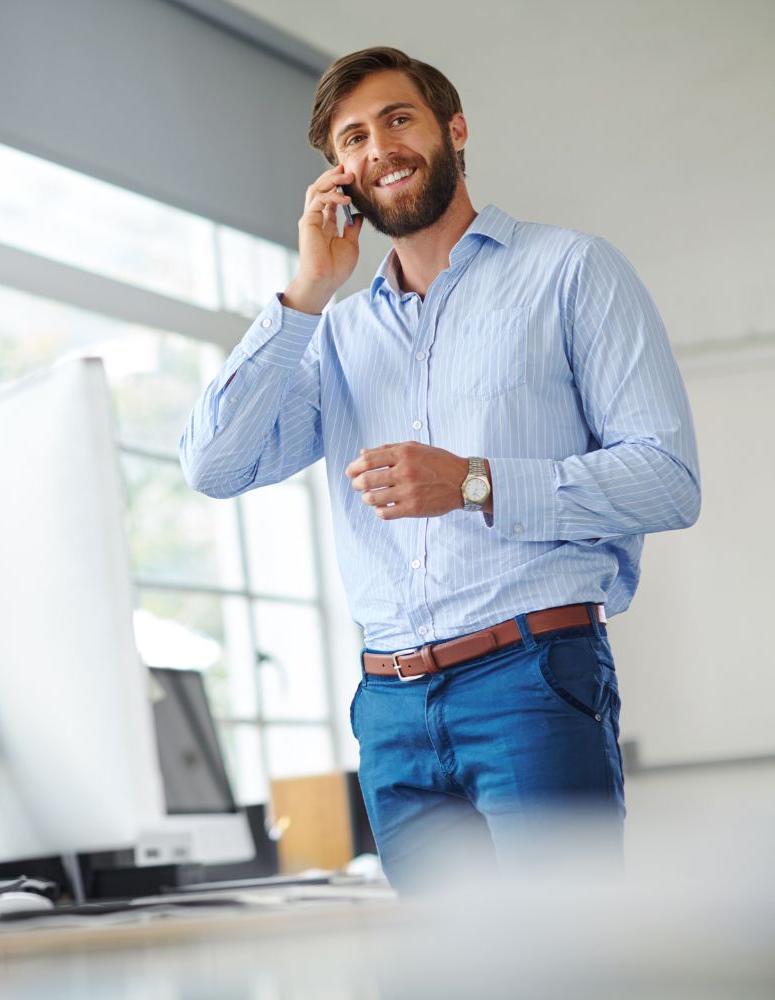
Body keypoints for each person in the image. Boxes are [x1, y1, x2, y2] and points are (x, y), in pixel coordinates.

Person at [179, 47, 700, 893]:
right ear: (338, 176)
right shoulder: (336, 335)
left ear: (454, 130)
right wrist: (308, 290)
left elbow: (667, 479)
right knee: (444, 959)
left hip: (531, 680)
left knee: (564, 954)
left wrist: (472, 482)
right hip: (390, 710)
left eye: (399, 119)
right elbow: (214, 464)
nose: (379, 148)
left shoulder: (570, 270)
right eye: (353, 139)